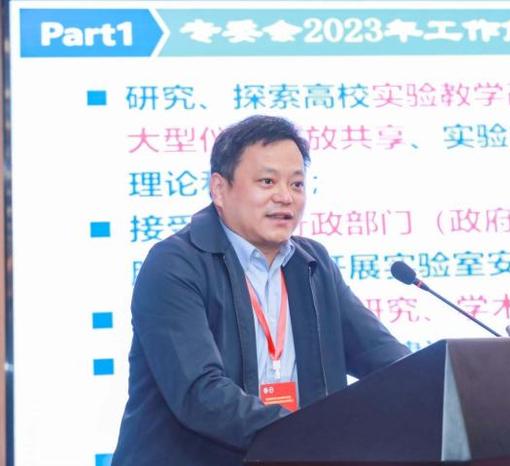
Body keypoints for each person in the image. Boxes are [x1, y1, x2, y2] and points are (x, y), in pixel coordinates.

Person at [112, 115, 410, 466]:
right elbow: (200, 394)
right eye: (267, 181)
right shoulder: (175, 264)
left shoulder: (313, 265)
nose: (285, 197)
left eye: (296, 184)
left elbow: (386, 361)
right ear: (219, 189)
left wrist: (444, 385)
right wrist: (314, 437)